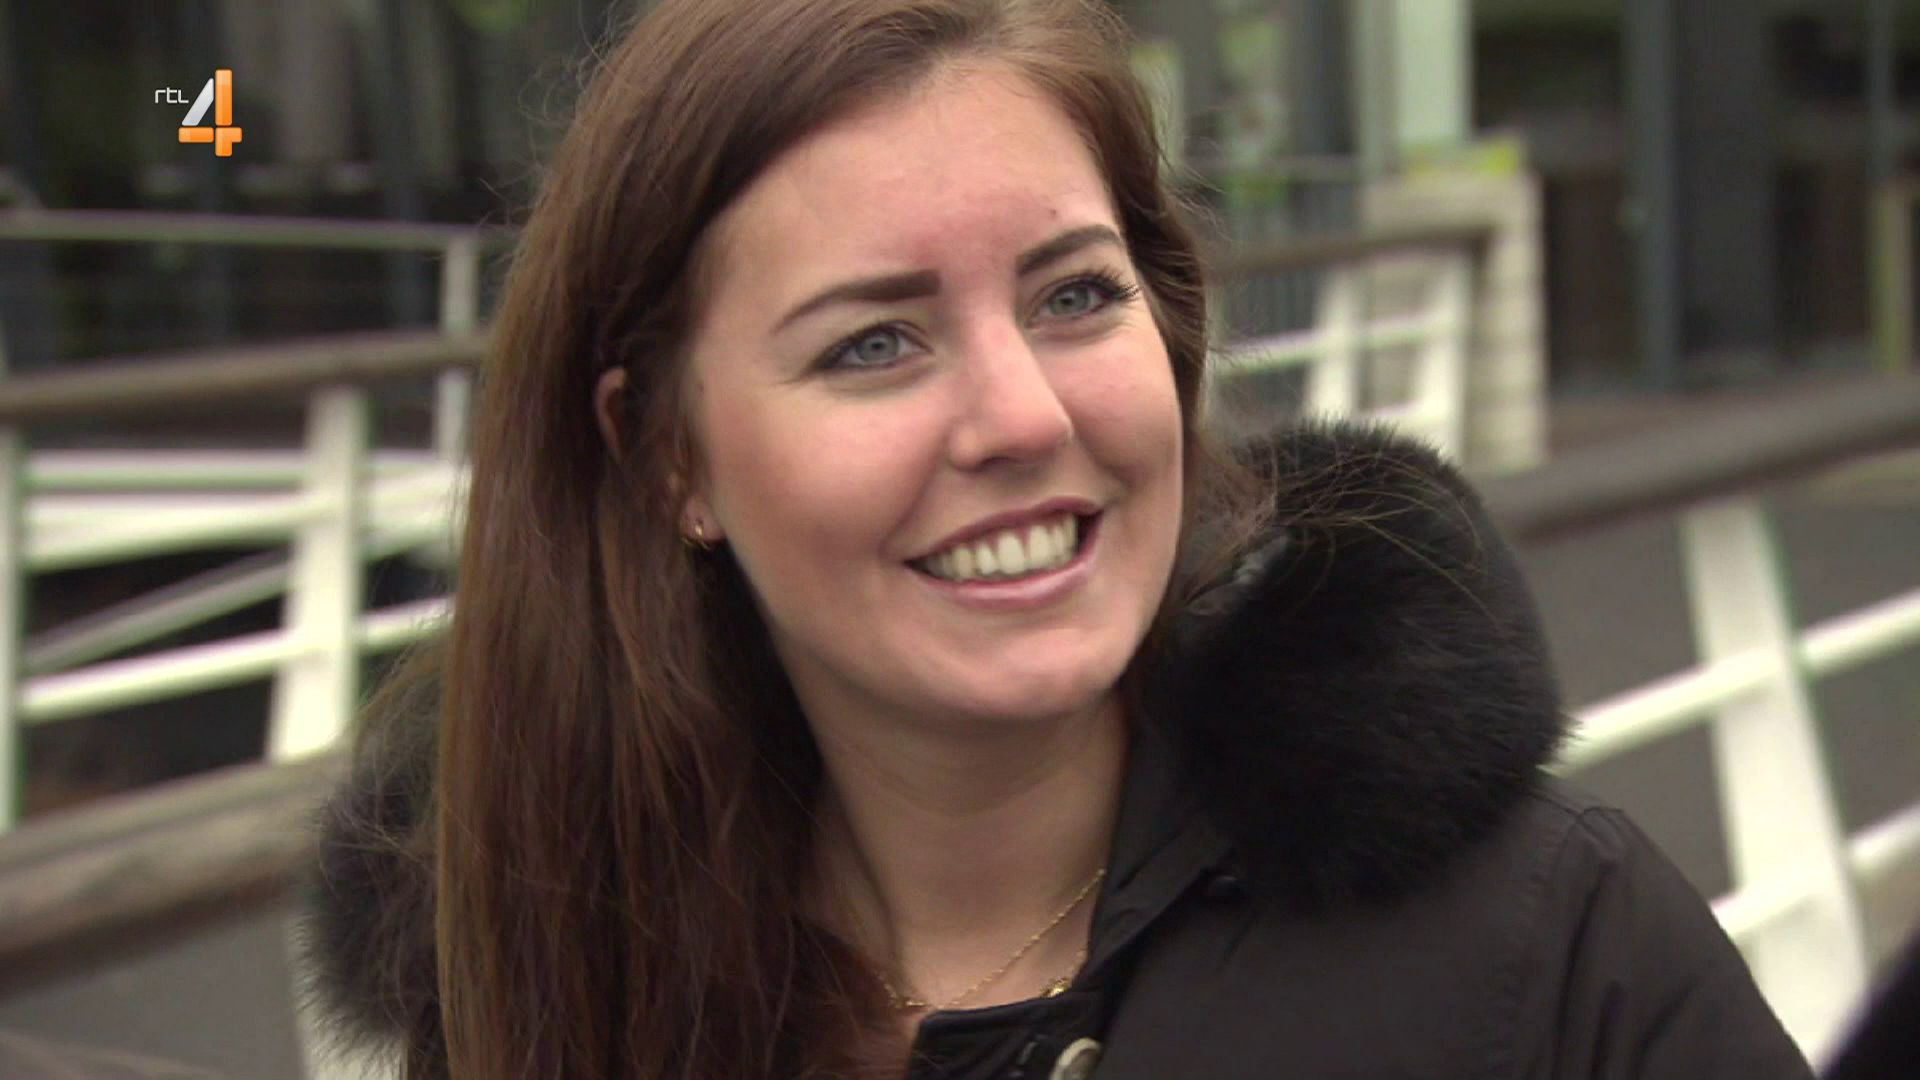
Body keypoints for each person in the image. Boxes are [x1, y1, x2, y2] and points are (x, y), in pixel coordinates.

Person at [300, 1, 1813, 1077]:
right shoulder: (543, 984)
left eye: (1075, 295)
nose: (1021, 415)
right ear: (666, 456)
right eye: (875, 342)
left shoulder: (1553, 954)